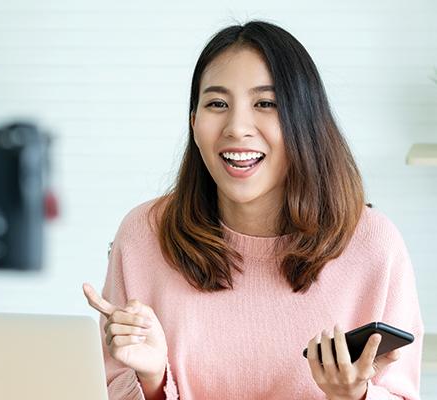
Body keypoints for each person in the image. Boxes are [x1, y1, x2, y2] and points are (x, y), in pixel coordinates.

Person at [82, 20, 423, 400]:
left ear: (305, 121)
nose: (237, 127)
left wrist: (354, 396)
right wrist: (153, 380)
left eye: (265, 103)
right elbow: (113, 389)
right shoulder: (144, 235)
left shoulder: (374, 245)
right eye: (216, 104)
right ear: (194, 122)